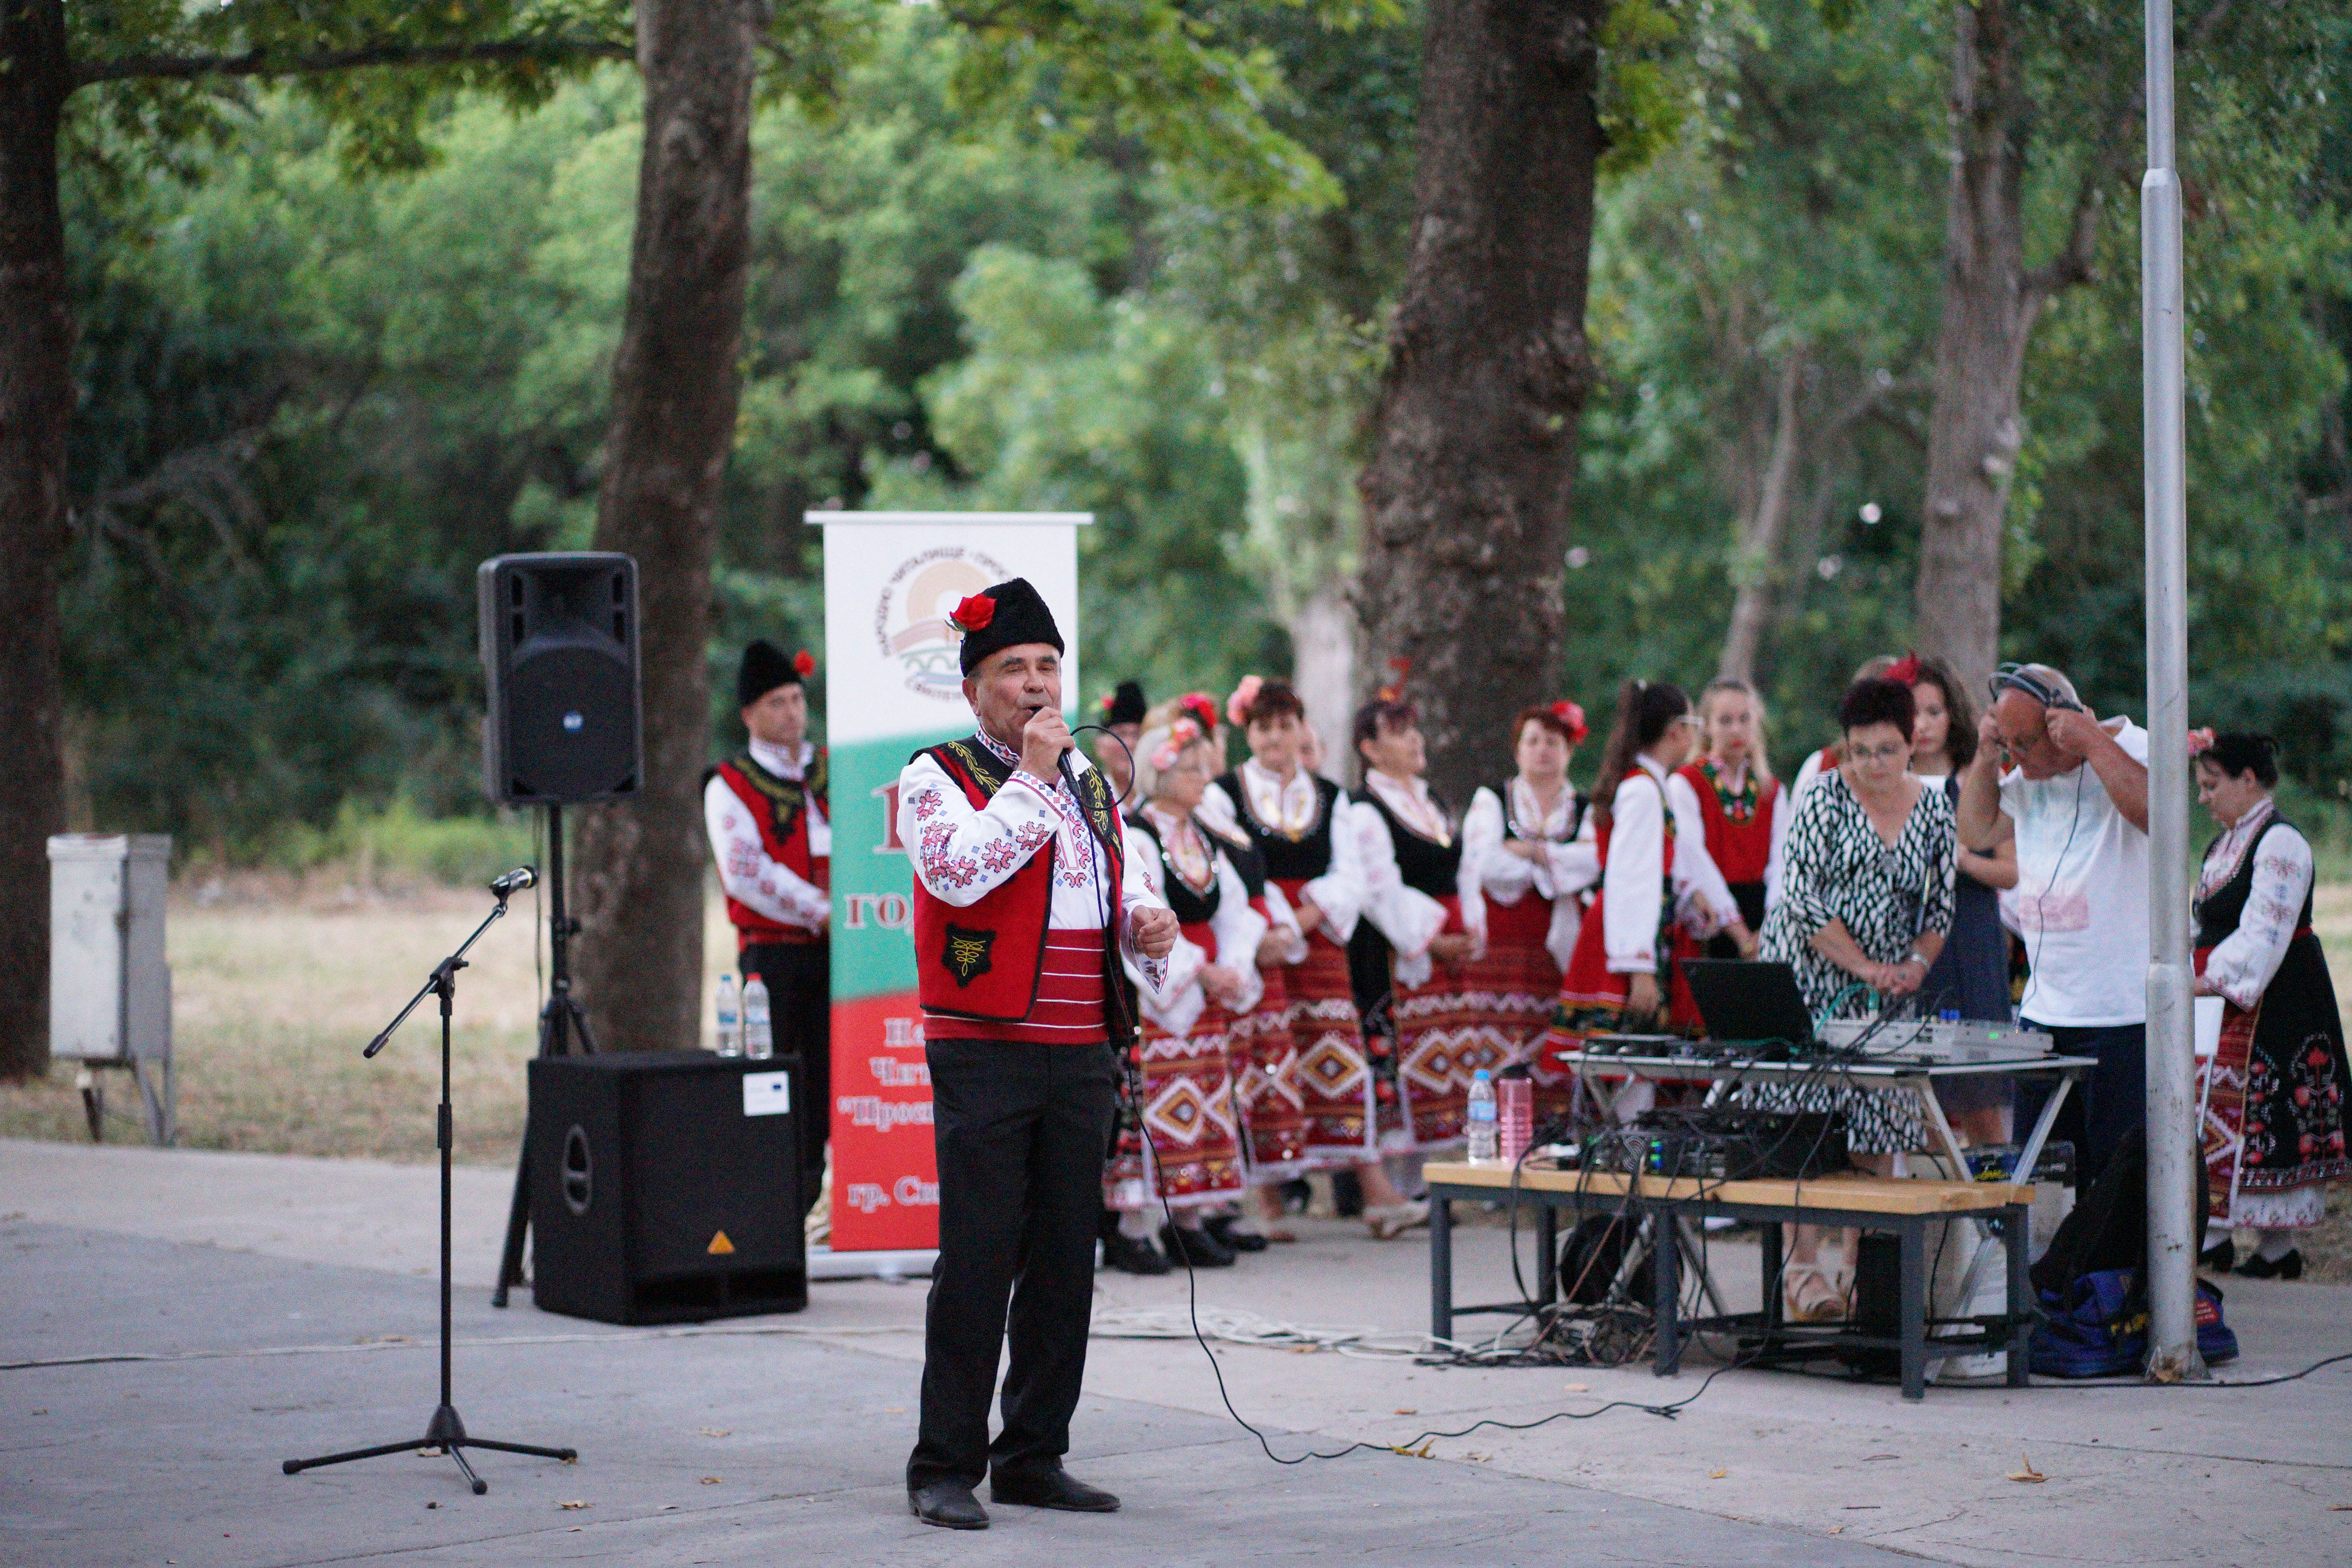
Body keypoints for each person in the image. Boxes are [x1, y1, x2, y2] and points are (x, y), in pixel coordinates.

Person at [894, 577, 1178, 1531]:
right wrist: (1034, 775)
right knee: (979, 1258)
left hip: (1082, 1046)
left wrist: (1147, 923)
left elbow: (1121, 885)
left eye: (1048, 665)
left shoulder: (1091, 781)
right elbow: (958, 871)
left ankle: (1033, 1454)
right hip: (986, 1049)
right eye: (1012, 667)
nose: (1034, 683)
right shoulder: (936, 773)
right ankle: (944, 1463)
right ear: (973, 690)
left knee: (1065, 1260)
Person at [1748, 676, 1956, 1319]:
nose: (1874, 764)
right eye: (1860, 751)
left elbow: (1939, 909)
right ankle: (1802, 1269)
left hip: (1885, 981)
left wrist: (1915, 965)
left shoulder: (1934, 808)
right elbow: (1800, 897)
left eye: (1887, 750)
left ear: (1912, 744)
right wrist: (1863, 965)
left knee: (1878, 1117)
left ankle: (1864, 1269)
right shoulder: (1821, 795)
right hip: (1811, 971)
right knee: (1805, 1120)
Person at [1204, 681, 1423, 1238]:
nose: (1276, 738)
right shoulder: (1224, 793)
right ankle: (1269, 1200)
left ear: (1302, 728)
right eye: (1263, 727)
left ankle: (1376, 1194)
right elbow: (1224, 869)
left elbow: (1351, 877)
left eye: (1286, 725)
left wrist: (1296, 924)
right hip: (1255, 938)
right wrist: (1267, 929)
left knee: (1337, 1057)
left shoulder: (1330, 795)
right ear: (1248, 733)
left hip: (1316, 941)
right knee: (1265, 1061)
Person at [1956, 662, 2151, 1186]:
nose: (2017, 757)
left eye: (2025, 743)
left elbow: (2158, 812)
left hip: (2121, 1014)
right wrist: (1985, 756)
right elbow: (1975, 830)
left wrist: (2093, 743)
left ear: (2063, 718)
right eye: (2009, 744)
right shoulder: (2024, 776)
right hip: (2045, 1015)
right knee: (2044, 1179)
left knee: (2119, 1179)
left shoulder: (2133, 747)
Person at [1105, 719, 1267, 1272]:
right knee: (1154, 1103)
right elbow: (1141, 913)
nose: (1203, 778)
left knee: (1200, 1103)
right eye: (1191, 768)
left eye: (1204, 767)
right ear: (1162, 773)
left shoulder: (1200, 835)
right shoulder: (1139, 832)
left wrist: (1234, 965)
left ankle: (1189, 1220)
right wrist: (1200, 969)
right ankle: (1133, 1226)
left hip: (1203, 993)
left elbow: (1235, 908)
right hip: (1159, 993)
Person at [2190, 731, 2351, 1279]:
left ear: (2249, 779)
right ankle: (2214, 1234)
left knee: (2266, 1116)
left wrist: (2207, 979)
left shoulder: (2281, 843)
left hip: (2277, 999)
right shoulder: (2224, 845)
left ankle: (2278, 1248)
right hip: (2223, 997)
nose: (2203, 798)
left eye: (2212, 785)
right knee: (2213, 1111)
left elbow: (2265, 931)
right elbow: (2206, 921)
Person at [1547, 681, 1748, 1058]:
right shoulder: (1643, 791)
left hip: (1631, 934)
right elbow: (1633, 880)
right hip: (1624, 941)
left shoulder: (1651, 785)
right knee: (1626, 1060)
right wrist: (1638, 967)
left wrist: (1690, 896)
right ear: (1675, 730)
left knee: (1634, 1062)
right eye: (1694, 724)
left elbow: (1663, 864)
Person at [704, 639, 831, 1215]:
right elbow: (746, 873)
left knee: (828, 1077)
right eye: (776, 703)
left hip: (838, 955)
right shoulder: (729, 783)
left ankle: (814, 1195)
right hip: (773, 956)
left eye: (796, 699)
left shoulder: (834, 768)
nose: (791, 712)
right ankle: (770, 1201)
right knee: (773, 1075)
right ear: (749, 715)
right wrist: (821, 909)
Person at [1353, 698, 1486, 1156]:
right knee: (1406, 1059)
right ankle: (1399, 1173)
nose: (1415, 740)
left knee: (1449, 1057)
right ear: (1371, 749)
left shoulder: (1432, 799)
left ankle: (1439, 1166)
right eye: (1399, 732)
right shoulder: (1365, 809)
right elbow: (1378, 889)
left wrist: (1470, 926)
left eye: (1414, 729)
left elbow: (1463, 868)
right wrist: (1431, 939)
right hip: (1400, 953)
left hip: (1449, 949)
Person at [1459, 702, 1600, 1126]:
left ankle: (1551, 1128)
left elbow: (1592, 862)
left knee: (1552, 1031)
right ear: (1518, 750)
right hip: (1501, 940)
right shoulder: (1492, 798)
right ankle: (1492, 1129)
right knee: (1494, 1034)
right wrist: (1555, 866)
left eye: (1553, 742)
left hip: (1558, 945)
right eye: (1533, 741)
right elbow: (1484, 863)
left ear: (1569, 752)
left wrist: (1531, 852)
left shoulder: (1584, 808)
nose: (1542, 750)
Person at [1902, 654, 2021, 1146]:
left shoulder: (1978, 778)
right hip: (1909, 950)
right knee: (1919, 1095)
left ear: (1952, 715)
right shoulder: (1889, 783)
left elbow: (2012, 871)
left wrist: (1964, 860)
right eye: (1912, 713)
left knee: (1979, 1096)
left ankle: (1994, 1194)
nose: (1923, 725)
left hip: (1970, 943)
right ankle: (1935, 1197)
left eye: (1934, 711)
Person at [1678, 678, 1788, 951]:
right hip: (1711, 919)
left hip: (1762, 919)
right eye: (1725, 721)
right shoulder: (1687, 782)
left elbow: (1782, 862)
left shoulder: (1771, 790)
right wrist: (1740, 934)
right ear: (1707, 726)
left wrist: (1769, 930)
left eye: (1745, 719)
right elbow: (1693, 857)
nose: (1736, 729)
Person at [1094, 680, 1148, 808]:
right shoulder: (1091, 799)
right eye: (1120, 734)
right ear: (1100, 746)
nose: (1129, 744)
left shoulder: (1159, 800)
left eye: (1137, 735)